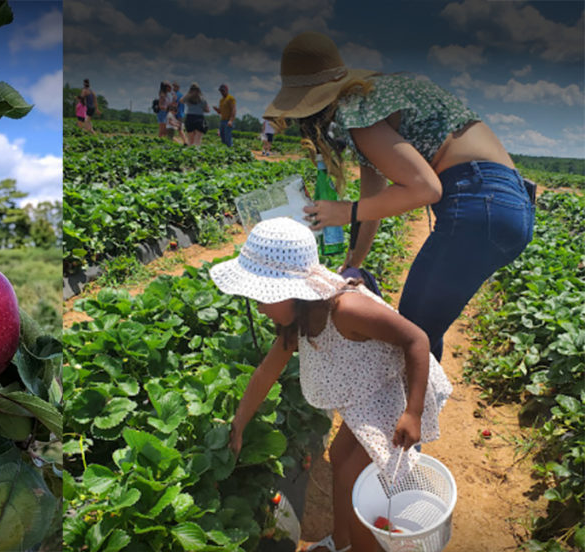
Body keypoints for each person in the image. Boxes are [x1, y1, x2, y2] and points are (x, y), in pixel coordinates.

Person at [264, 31, 536, 363]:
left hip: (480, 203)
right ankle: (420, 409)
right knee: (422, 327)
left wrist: (343, 211)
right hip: (509, 204)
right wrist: (353, 262)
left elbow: (426, 188)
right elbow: (373, 199)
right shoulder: (376, 102)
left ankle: (413, 412)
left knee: (410, 335)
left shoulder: (356, 113)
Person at [212, 217, 452, 552]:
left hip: (394, 391)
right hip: (366, 395)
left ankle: (364, 545)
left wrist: (413, 412)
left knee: (358, 482)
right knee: (340, 456)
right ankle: (342, 543)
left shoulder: (346, 309)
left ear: (292, 291)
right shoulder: (298, 318)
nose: (261, 307)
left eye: (265, 297)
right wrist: (238, 424)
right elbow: (266, 373)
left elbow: (417, 340)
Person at [213, 83, 236, 147]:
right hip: (222, 120)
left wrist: (231, 120)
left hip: (228, 121)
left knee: (227, 137)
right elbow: (220, 112)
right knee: (222, 137)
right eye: (221, 91)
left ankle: (229, 150)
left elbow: (233, 109)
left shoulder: (230, 98)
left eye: (223, 91)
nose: (222, 92)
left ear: (227, 90)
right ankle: (225, 150)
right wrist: (216, 110)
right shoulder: (221, 100)